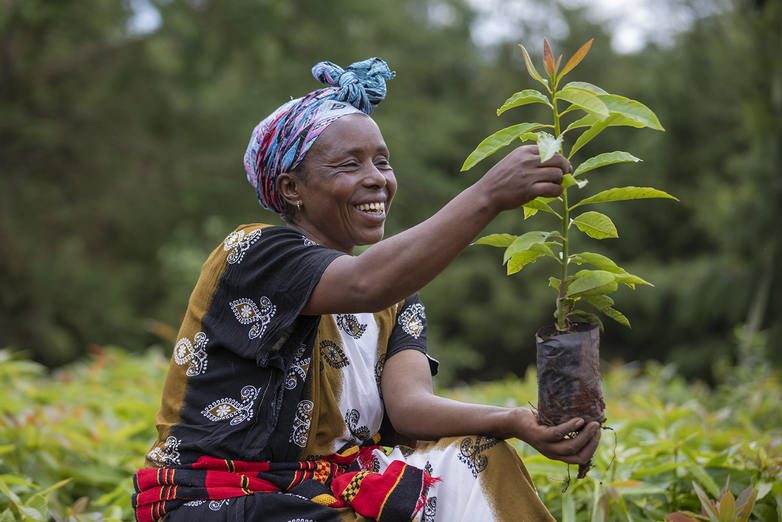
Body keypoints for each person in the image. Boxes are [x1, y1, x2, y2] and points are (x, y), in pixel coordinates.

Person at [133, 57, 600, 522]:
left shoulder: (396, 296)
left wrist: (513, 421)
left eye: (381, 161)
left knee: (480, 459)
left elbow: (409, 406)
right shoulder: (256, 252)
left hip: (329, 487)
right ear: (292, 188)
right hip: (226, 497)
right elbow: (364, 283)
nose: (377, 178)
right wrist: (488, 195)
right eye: (348, 164)